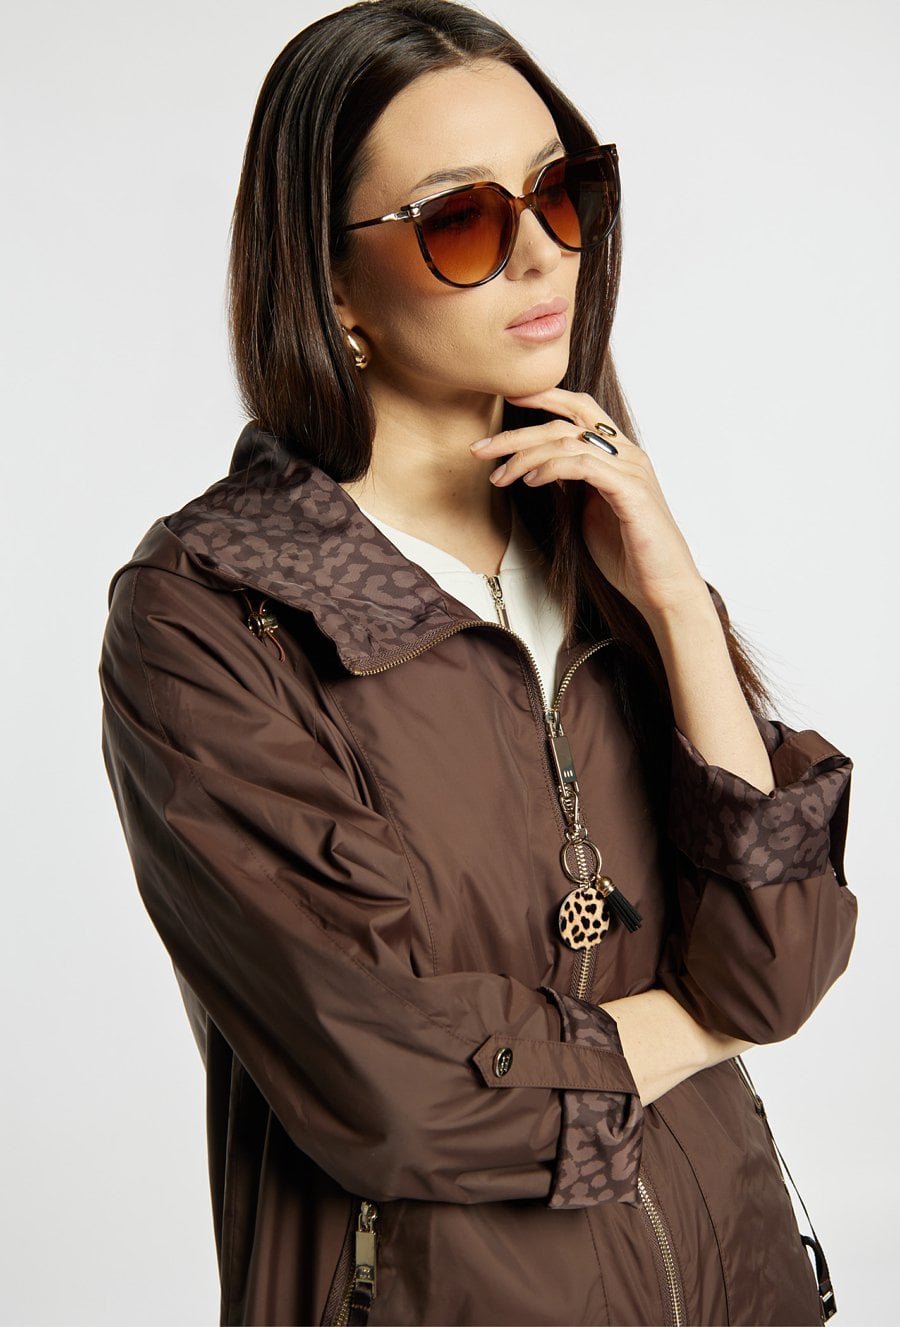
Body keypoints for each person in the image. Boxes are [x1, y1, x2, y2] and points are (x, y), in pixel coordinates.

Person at [99, 2, 857, 1323]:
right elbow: (394, 1087)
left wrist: (677, 603)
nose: (541, 254)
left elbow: (781, 960)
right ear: (332, 286)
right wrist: (699, 1022)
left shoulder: (603, 550)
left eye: (560, 193)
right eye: (460, 220)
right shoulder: (213, 614)